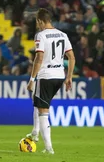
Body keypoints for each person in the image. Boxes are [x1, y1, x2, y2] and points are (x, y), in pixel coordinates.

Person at [26, 9, 76, 154]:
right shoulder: (63, 34)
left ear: (41, 21)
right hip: (59, 76)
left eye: (37, 22)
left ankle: (48, 148)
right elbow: (71, 57)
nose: (37, 25)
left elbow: (39, 58)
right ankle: (35, 132)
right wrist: (69, 77)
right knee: (39, 100)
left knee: (43, 111)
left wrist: (32, 78)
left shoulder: (41, 36)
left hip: (45, 75)